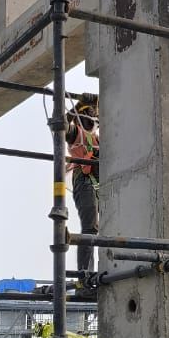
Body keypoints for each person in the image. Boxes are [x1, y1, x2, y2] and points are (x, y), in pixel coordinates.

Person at [66, 95, 99, 284]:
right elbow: (61, 124)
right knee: (89, 229)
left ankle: (91, 276)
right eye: (90, 113)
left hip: (100, 185)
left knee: (102, 230)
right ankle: (84, 278)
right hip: (84, 181)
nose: (94, 117)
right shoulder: (76, 133)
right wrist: (77, 105)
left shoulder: (98, 138)